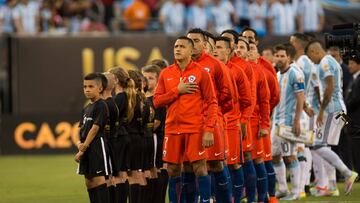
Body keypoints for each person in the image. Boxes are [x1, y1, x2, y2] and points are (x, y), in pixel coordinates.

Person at [154, 36, 218, 203]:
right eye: (176, 46)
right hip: (172, 129)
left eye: (182, 46)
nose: (177, 49)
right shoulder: (166, 73)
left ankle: (205, 200)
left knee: (199, 168)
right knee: (173, 170)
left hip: (195, 129)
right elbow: (157, 101)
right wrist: (177, 90)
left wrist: (209, 129)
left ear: (191, 50)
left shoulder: (201, 73)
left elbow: (212, 102)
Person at [305, 41, 358, 196]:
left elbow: (329, 87)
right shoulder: (331, 61)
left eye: (311, 57)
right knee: (325, 147)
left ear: (315, 51)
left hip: (332, 110)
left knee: (317, 144)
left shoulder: (325, 62)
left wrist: (321, 111)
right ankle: (332, 186)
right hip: (339, 109)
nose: (312, 61)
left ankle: (347, 173)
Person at [187, 28, 233, 202]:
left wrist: (214, 112)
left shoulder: (215, 65)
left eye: (197, 41)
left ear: (205, 44)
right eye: (190, 41)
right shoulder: (183, 65)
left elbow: (228, 95)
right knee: (191, 166)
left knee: (216, 163)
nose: (193, 45)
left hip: (212, 121)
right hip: (190, 124)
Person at [213, 36, 252, 203]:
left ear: (228, 51)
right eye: (214, 46)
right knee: (215, 164)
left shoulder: (237, 71)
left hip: (231, 123)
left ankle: (237, 198)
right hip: (214, 124)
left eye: (220, 47)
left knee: (233, 164)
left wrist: (242, 121)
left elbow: (246, 100)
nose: (216, 50)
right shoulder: (208, 69)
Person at [271, 44, 305, 200]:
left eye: (282, 56)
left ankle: (297, 191)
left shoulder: (295, 74)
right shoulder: (278, 75)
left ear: (289, 57)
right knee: (274, 156)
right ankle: (283, 189)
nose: (279, 58)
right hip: (277, 123)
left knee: (290, 156)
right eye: (277, 56)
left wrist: (297, 121)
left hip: (288, 123)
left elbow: (300, 98)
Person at [289, 33, 319, 198]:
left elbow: (300, 89)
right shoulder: (308, 62)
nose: (289, 43)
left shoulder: (301, 63)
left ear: (297, 44)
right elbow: (316, 86)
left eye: (291, 41)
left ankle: (301, 187)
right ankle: (305, 184)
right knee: (304, 147)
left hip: (300, 111)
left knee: (300, 148)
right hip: (305, 110)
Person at [75, 72, 110, 203]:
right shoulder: (87, 108)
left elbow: (95, 128)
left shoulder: (101, 105)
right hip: (85, 146)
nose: (87, 90)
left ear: (100, 89)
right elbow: (80, 128)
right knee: (89, 181)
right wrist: (79, 143)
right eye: (85, 87)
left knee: (99, 179)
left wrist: (82, 149)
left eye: (91, 86)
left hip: (96, 145)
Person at [142, 64, 168, 203]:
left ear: (158, 80)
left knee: (156, 169)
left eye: (150, 78)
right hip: (146, 137)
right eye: (144, 77)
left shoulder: (158, 99)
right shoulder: (141, 98)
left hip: (155, 137)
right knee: (147, 169)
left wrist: (142, 132)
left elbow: (157, 121)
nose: (146, 81)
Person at [109, 67, 133, 203]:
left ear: (116, 80)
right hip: (124, 136)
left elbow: (112, 120)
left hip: (118, 137)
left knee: (118, 175)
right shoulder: (126, 96)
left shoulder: (119, 98)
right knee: (123, 174)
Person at [345, 53, 360, 175]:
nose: (349, 66)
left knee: (357, 146)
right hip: (353, 119)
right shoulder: (354, 78)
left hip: (357, 119)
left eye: (351, 63)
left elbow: (356, 99)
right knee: (354, 147)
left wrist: (344, 108)